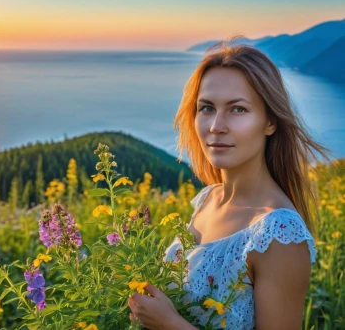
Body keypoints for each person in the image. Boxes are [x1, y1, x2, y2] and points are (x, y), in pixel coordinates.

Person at [127, 36, 334, 330]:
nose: (216, 126)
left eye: (238, 109)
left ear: (270, 122)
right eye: (207, 108)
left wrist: (169, 324)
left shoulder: (279, 233)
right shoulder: (208, 199)